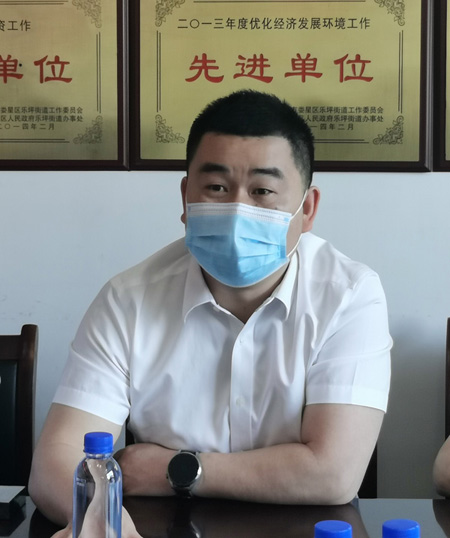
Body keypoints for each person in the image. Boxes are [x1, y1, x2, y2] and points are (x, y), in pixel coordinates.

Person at [29, 90, 392, 538]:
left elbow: (332, 474)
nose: (238, 209)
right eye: (217, 188)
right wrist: (107, 523)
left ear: (308, 208)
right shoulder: (128, 299)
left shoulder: (349, 296)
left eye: (263, 191)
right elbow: (58, 458)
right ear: (186, 198)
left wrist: (175, 469)